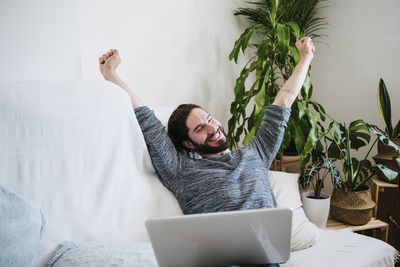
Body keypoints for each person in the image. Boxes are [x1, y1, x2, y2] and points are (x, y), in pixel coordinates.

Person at [99, 37, 315, 267]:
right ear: (189, 144)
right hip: (219, 261)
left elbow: (284, 101)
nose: (213, 128)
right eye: (200, 128)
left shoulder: (256, 154)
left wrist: (305, 57)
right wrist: (111, 74)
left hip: (266, 259)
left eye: (210, 119)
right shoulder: (181, 169)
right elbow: (147, 121)